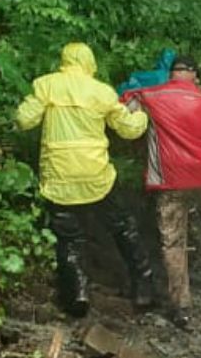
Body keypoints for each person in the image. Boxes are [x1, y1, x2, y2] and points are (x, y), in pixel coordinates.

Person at [16, 43, 156, 317]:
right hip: (96, 175)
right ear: (90, 63)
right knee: (123, 227)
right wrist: (141, 116)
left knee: (69, 238)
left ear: (64, 61)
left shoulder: (46, 85)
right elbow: (129, 130)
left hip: (59, 176)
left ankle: (77, 295)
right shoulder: (101, 92)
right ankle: (144, 288)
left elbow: (24, 120)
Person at [123, 55, 201, 329]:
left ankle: (181, 307)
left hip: (170, 180)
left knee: (173, 242)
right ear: (193, 74)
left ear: (172, 74)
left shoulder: (151, 95)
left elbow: (125, 108)